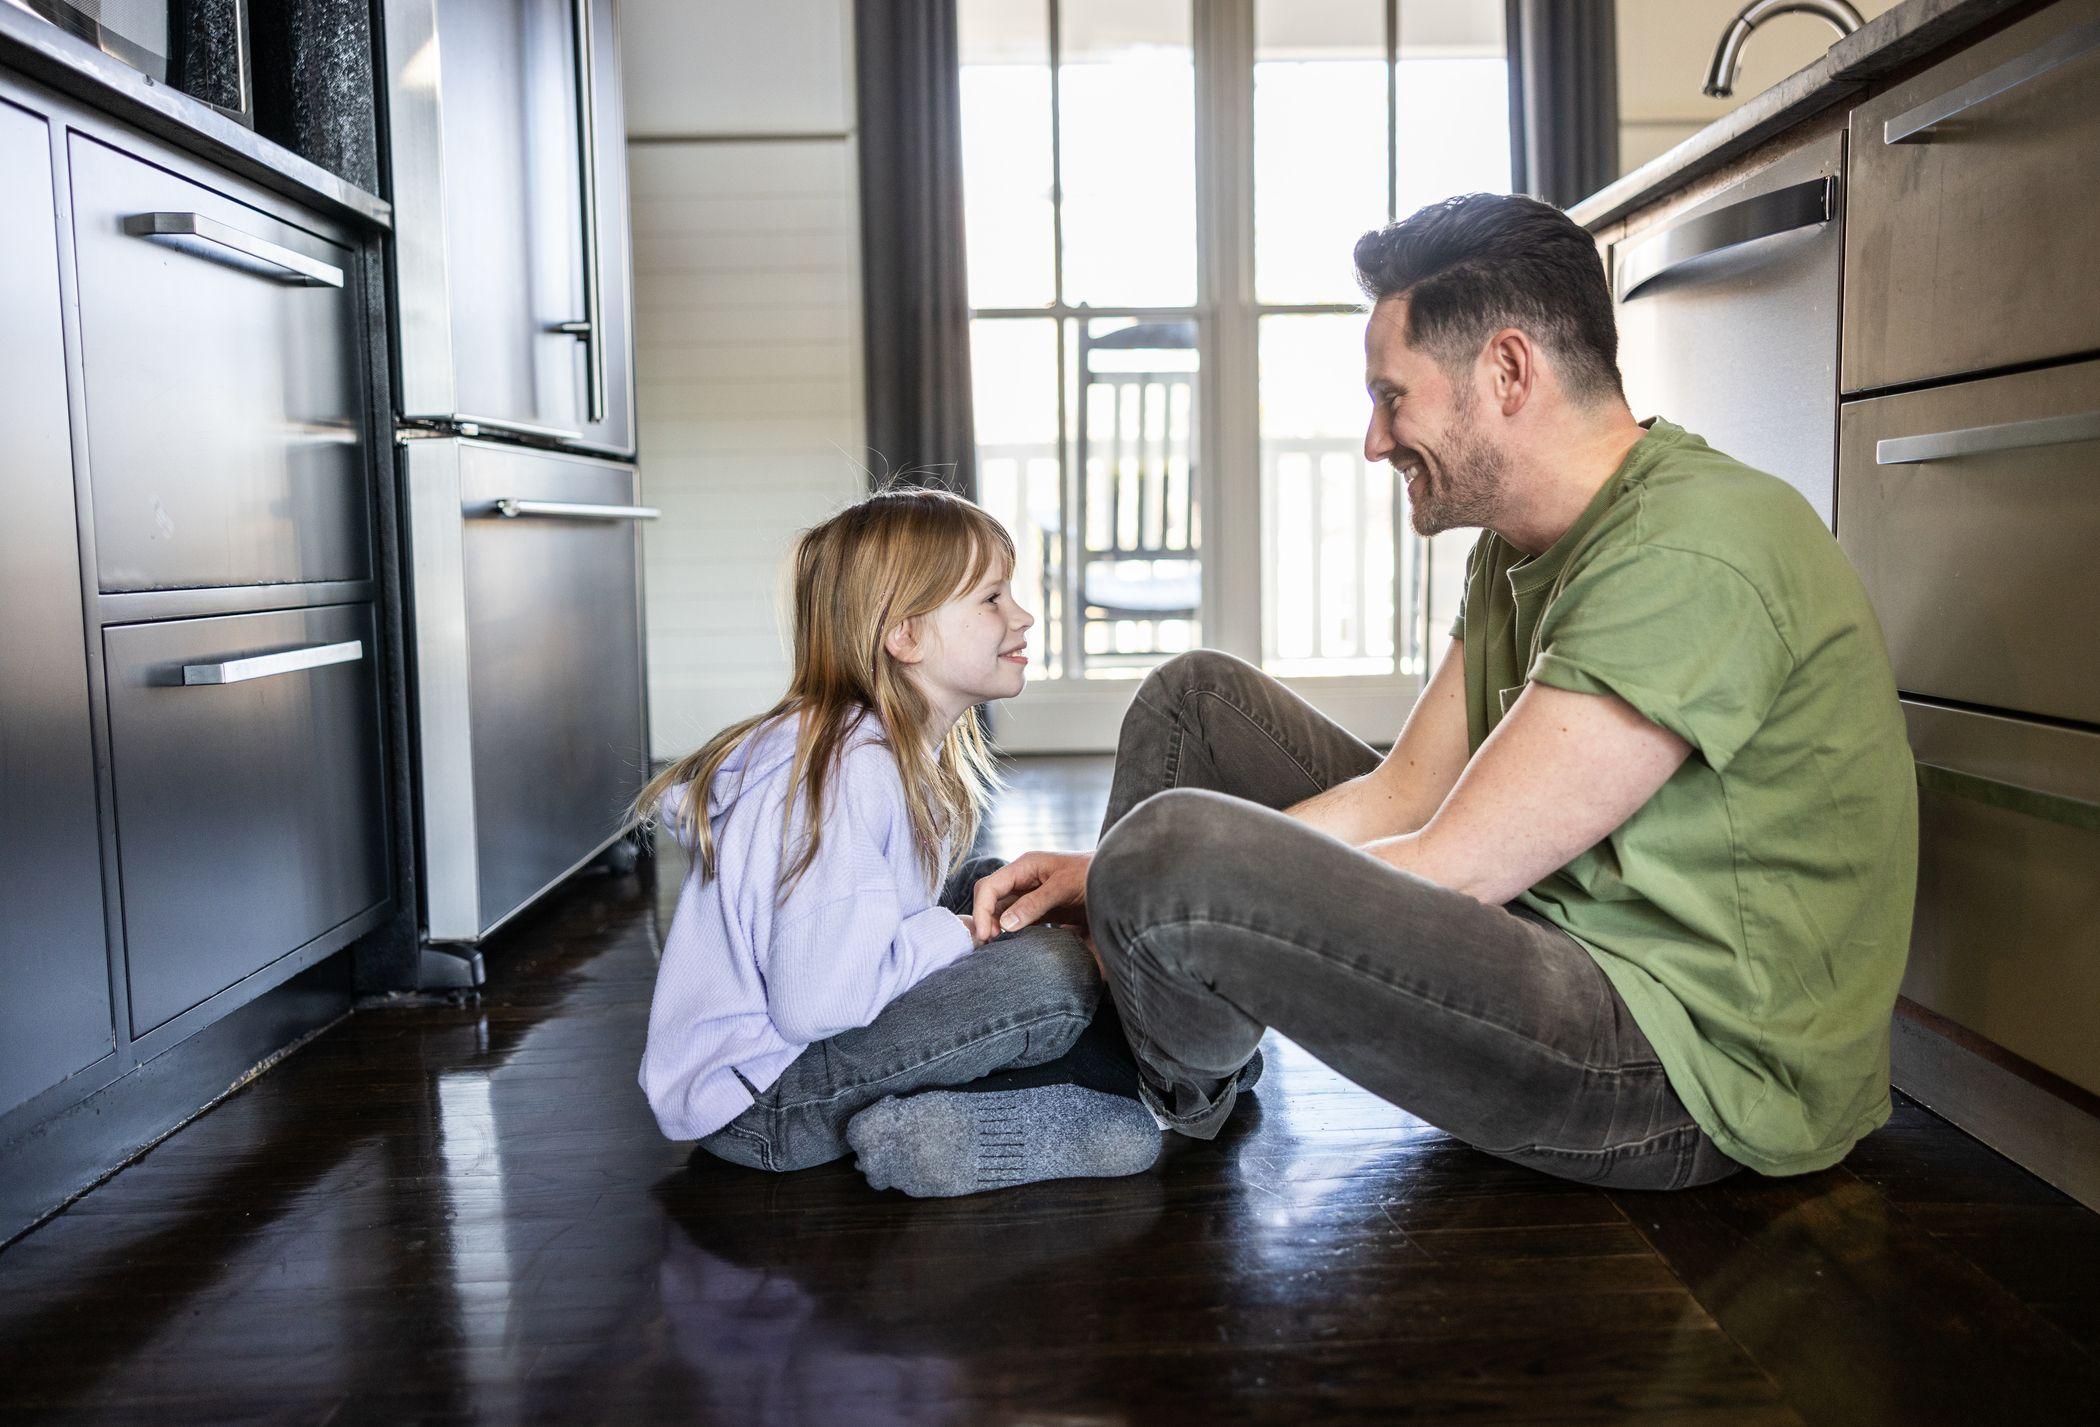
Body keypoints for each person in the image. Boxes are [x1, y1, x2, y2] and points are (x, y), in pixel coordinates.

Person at [971, 192, 1919, 1191]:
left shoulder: (1688, 548)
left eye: (1392, 396)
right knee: (1195, 703)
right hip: (1560, 935)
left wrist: (1146, 878)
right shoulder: (1523, 538)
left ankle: (1141, 1097)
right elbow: (1405, 793)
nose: (1375, 441)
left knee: (1173, 851)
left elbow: (1453, 868)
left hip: (1690, 1066)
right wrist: (1107, 871)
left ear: (1507, 371)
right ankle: (1139, 1037)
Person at [638, 486, 1161, 1196]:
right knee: (1054, 976)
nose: (1023, 616)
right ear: (905, 634)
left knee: (997, 882)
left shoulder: (870, 746)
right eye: (992, 599)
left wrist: (965, 928)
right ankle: (945, 1130)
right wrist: (956, 938)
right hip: (765, 1103)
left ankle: (1138, 1062)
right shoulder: (850, 771)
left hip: (790, 1050)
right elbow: (815, 1003)